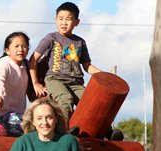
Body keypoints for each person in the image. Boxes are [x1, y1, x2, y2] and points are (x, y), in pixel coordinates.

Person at [28, 2, 123, 140]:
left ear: (77, 22)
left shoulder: (80, 42)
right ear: (55, 20)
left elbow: (87, 66)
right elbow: (33, 59)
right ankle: (62, 132)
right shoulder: (51, 38)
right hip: (55, 79)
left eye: (68, 19)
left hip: (75, 82)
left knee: (92, 103)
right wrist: (36, 83)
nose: (64, 22)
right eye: (60, 18)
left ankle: (108, 132)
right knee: (65, 99)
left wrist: (103, 75)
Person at [0, 32, 34, 136]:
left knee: (39, 119)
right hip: (0, 117)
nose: (21, 49)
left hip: (17, 115)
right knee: (27, 123)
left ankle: (61, 135)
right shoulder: (3, 63)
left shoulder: (26, 65)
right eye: (16, 46)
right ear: (7, 50)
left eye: (24, 46)